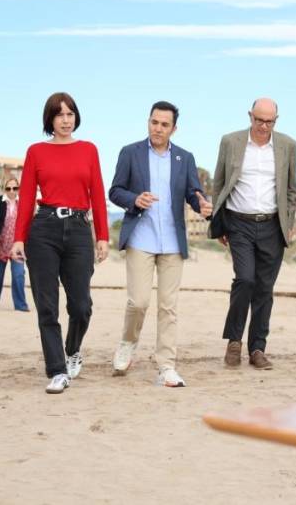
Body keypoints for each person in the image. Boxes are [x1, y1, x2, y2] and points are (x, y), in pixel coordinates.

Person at [108, 101, 213, 387]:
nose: (158, 128)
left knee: (168, 307)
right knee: (139, 301)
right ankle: (128, 344)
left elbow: (193, 193)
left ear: (174, 129)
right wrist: (134, 200)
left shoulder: (185, 158)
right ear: (148, 122)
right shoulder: (130, 153)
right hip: (141, 237)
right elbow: (115, 191)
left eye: (164, 124)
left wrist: (201, 202)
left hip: (172, 242)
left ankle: (166, 365)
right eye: (154, 122)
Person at [11, 92, 109, 395]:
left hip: (80, 229)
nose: (66, 120)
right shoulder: (36, 151)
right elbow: (26, 197)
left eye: (70, 114)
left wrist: (103, 236)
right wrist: (18, 238)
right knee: (47, 306)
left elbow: (97, 194)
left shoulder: (89, 150)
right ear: (50, 119)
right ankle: (57, 370)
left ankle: (72, 349)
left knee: (81, 305)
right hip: (44, 229)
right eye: (59, 114)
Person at [208, 98, 296, 370]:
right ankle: (234, 341)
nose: (263, 126)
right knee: (245, 280)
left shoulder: (288, 146)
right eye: (259, 120)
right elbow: (219, 182)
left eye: (269, 121)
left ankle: (257, 348)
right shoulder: (230, 142)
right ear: (250, 116)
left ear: (276, 120)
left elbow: (291, 189)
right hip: (239, 223)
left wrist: (288, 221)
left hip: (272, 225)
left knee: (264, 290)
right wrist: (220, 223)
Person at [0, 176, 29, 312]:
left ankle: (20, 305)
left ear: (18, 189)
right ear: (4, 189)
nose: (11, 191)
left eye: (15, 188)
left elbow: (28, 224)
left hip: (18, 246)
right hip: (0, 245)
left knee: (18, 274)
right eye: (8, 188)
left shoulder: (23, 204)